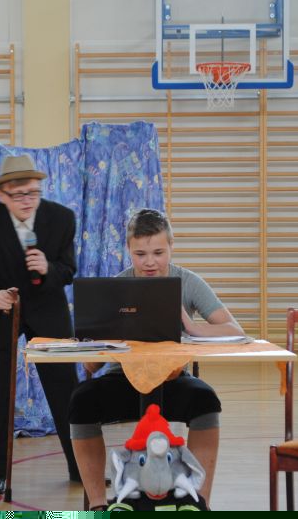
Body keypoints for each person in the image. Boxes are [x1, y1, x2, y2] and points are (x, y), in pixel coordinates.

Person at [68, 208, 245, 510]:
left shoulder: (188, 282)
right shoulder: (116, 287)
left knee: (206, 402)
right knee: (81, 402)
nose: (150, 262)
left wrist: (190, 326)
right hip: (123, 379)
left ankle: (198, 503)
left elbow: (234, 330)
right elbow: (91, 365)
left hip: (172, 380)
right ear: (129, 249)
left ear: (171, 247)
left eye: (158, 253)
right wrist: (103, 340)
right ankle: (98, 506)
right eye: (141, 254)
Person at [0, 153, 81, 495]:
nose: (27, 200)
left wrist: (48, 268)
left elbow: (68, 270)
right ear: (1, 195)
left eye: (33, 192)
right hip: (5, 313)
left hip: (49, 311)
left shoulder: (62, 218)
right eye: (18, 195)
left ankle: (82, 467)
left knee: (66, 391)